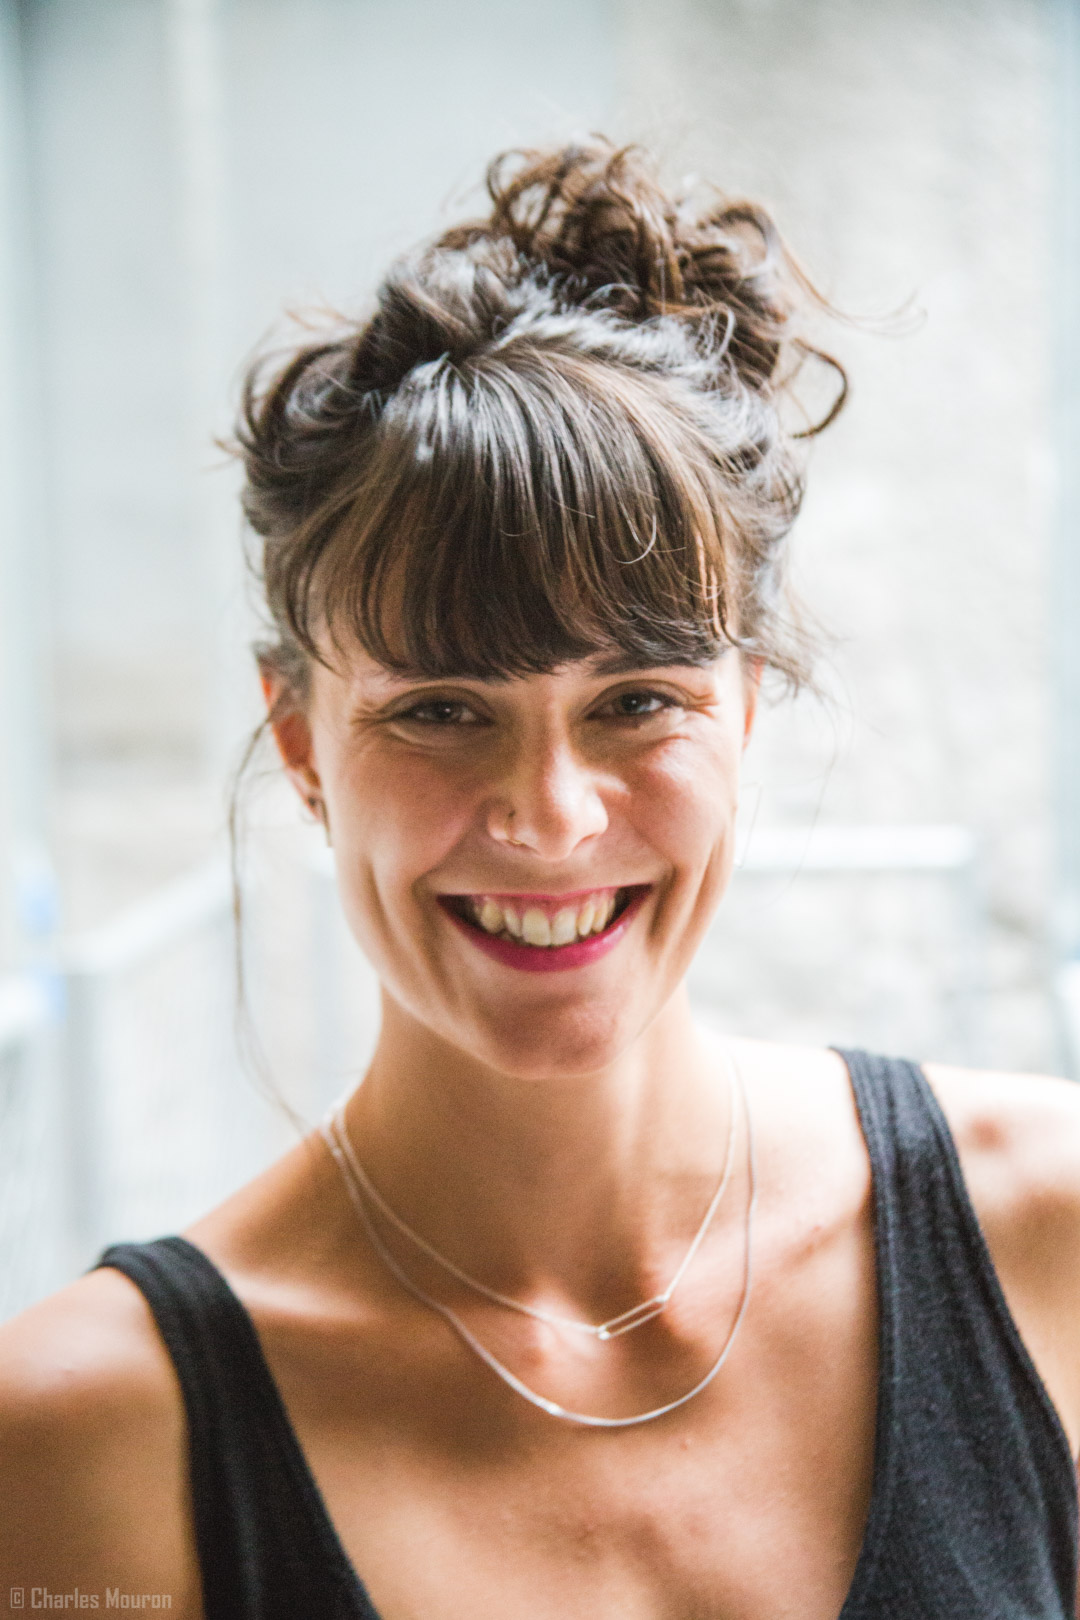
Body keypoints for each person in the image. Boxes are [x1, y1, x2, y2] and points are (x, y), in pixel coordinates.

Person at [2, 140, 1079, 1620]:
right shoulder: (84, 1438)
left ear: (746, 708)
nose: (553, 819)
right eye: (442, 710)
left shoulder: (1050, 1237)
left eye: (636, 701)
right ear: (300, 744)